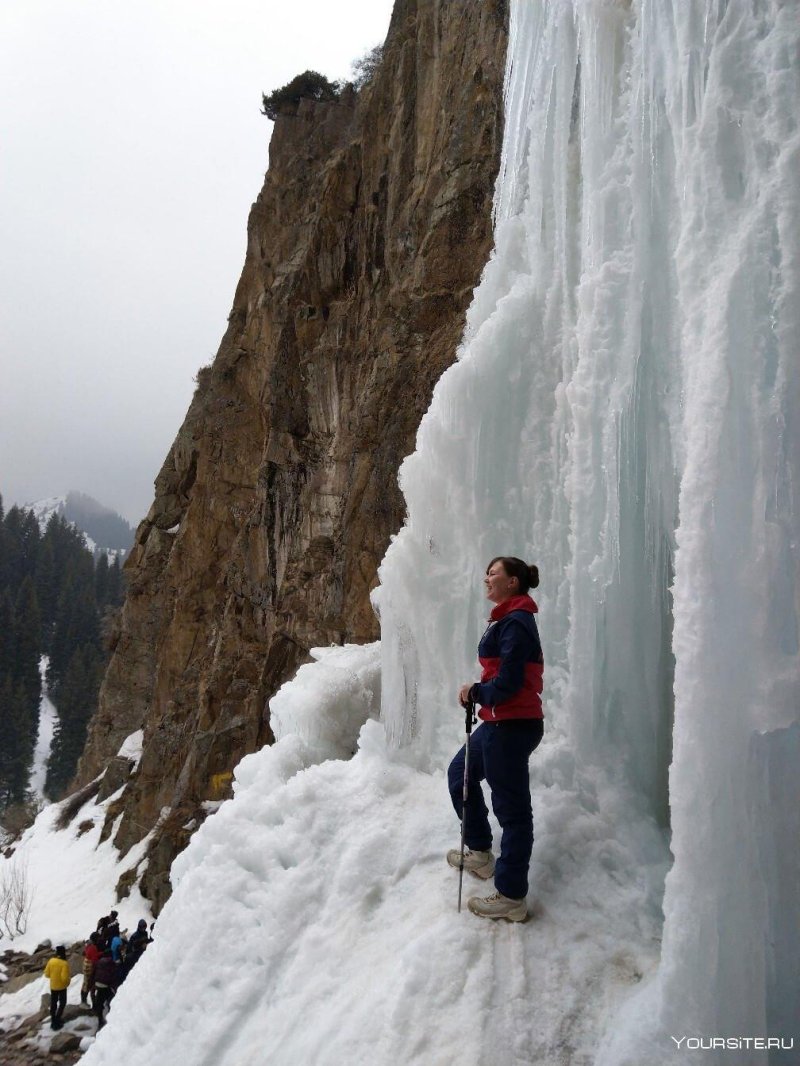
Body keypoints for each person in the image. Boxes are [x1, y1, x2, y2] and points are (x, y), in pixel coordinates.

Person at [447, 556, 544, 922]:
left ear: (513, 582)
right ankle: (481, 853)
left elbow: (510, 684)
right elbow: (501, 678)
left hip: (512, 726)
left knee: (513, 812)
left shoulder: (517, 623)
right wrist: (478, 693)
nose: (486, 579)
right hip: (498, 722)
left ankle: (511, 895)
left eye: (494, 574)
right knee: (460, 776)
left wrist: (477, 691)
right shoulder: (507, 620)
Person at [43, 944, 71, 1029]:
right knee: (62, 1003)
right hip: (62, 987)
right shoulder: (64, 964)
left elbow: (47, 974)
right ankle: (57, 1019)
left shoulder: (51, 961)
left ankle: (53, 1020)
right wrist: (68, 982)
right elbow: (64, 978)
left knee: (53, 1003)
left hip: (53, 986)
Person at [93, 949, 117, 1029]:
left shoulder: (99, 962)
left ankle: (100, 1019)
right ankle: (112, 1015)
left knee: (99, 1000)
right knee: (111, 998)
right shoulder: (111, 963)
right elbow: (113, 975)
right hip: (106, 985)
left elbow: (94, 971)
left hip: (97, 983)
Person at [81, 932, 101, 1007]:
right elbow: (95, 960)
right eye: (98, 939)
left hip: (86, 965)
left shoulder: (89, 944)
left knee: (85, 983)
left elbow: (92, 954)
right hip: (89, 967)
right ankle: (84, 1002)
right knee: (89, 985)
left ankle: (83, 1001)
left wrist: (101, 953)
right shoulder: (93, 948)